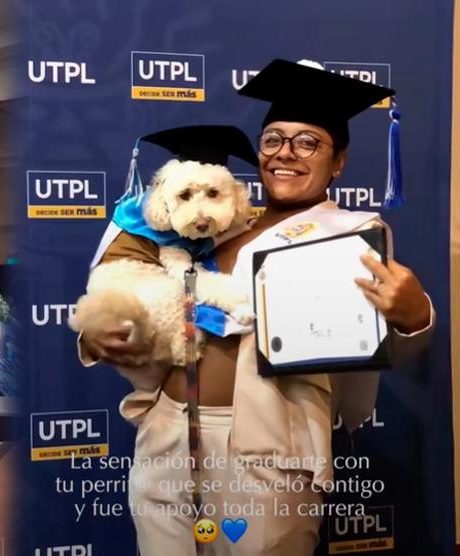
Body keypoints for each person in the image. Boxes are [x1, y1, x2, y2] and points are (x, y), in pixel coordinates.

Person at [79, 60, 435, 556]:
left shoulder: (353, 234)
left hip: (269, 450)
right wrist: (99, 333)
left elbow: (381, 343)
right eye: (272, 139)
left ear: (339, 162)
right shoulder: (212, 221)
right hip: (168, 432)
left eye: (307, 141)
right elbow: (136, 299)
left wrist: (414, 316)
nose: (285, 153)